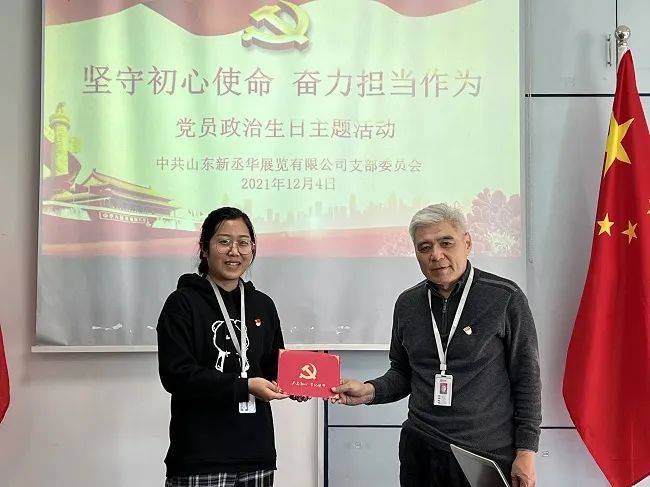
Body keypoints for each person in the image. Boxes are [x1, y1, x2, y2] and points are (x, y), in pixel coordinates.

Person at [332, 203, 542, 487]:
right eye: (425, 247)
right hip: (421, 448)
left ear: (467, 243)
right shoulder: (407, 304)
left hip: (484, 454)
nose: (436, 255)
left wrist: (526, 451)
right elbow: (402, 373)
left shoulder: (505, 297)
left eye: (446, 243)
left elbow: (527, 379)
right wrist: (369, 391)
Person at [157, 207, 288, 487]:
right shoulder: (182, 304)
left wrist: (297, 384)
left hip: (257, 455)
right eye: (224, 241)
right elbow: (176, 375)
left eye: (243, 243)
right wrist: (245, 385)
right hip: (200, 457)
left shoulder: (263, 305)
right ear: (205, 248)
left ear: (253, 248)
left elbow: (274, 366)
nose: (234, 251)